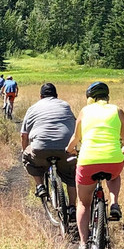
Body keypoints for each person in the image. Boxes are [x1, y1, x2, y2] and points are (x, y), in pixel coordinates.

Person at [65, 81, 124, 249]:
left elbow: (75, 138)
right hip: (113, 159)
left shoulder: (84, 112)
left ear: (90, 98)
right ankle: (115, 203)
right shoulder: (118, 111)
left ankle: (83, 245)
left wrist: (69, 150)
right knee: (115, 174)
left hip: (88, 161)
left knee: (84, 204)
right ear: (107, 97)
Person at [20, 83, 77, 224]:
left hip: (40, 148)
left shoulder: (33, 108)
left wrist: (24, 149)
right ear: (56, 96)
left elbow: (23, 135)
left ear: (40, 96)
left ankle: (40, 186)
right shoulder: (65, 105)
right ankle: (72, 207)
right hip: (65, 149)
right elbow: (75, 126)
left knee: (27, 157)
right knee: (71, 176)